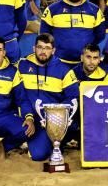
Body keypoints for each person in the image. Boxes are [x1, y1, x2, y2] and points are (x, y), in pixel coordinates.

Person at [15, 34, 79, 162]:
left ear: (53, 50)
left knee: (39, 155)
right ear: (34, 48)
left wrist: (56, 116)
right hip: (27, 117)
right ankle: (6, 145)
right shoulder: (21, 66)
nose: (43, 51)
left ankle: (53, 141)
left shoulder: (64, 70)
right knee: (12, 128)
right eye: (40, 47)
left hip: (52, 121)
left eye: (47, 48)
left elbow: (73, 97)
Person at [41, 0, 105, 64]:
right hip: (58, 62)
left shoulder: (95, 10)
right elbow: (44, 36)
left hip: (85, 65)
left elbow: (100, 35)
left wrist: (86, 47)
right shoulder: (52, 10)